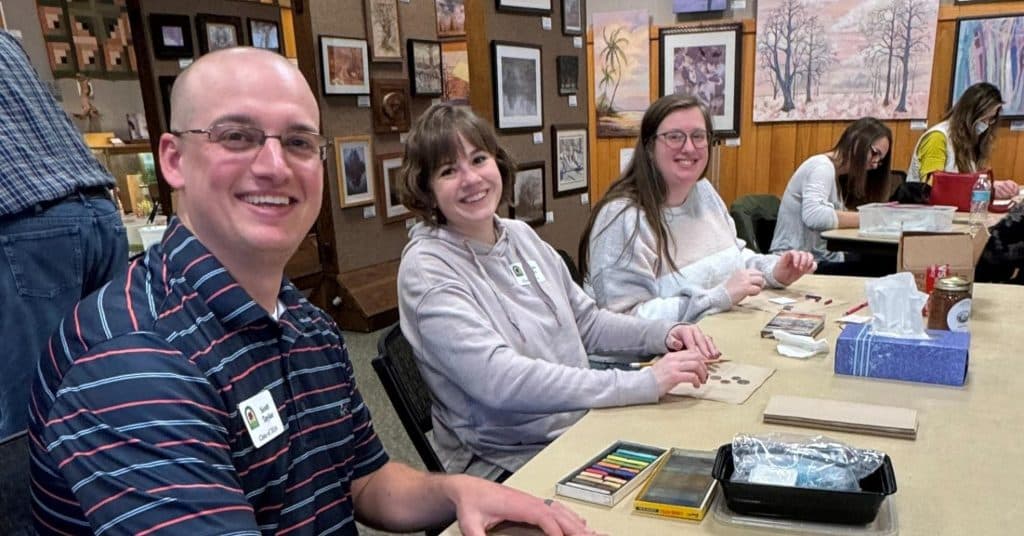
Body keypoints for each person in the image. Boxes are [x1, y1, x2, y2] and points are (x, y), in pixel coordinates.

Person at [28, 48, 596, 536]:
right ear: (173, 160)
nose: (274, 165)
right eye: (237, 136)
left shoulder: (305, 323)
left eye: (298, 141)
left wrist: (457, 493)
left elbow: (365, 478)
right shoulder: (132, 362)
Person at [397, 103, 719, 480]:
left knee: (704, 457)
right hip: (508, 462)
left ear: (497, 164)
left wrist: (663, 334)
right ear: (427, 190)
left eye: (478, 159)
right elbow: (502, 381)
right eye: (449, 171)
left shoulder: (517, 235)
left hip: (577, 426)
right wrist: (640, 383)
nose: (471, 179)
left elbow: (588, 323)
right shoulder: (427, 271)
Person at [579, 94, 816, 324]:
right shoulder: (623, 218)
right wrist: (718, 297)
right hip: (650, 360)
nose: (689, 148)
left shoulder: (703, 191)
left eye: (698, 136)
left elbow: (732, 257)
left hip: (713, 339)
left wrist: (774, 271)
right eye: (674, 137)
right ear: (649, 147)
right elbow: (623, 319)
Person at [0, 31, 127, 442]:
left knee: (28, 410)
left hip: (25, 224)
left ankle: (39, 507)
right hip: (98, 208)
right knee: (120, 381)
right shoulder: (6, 42)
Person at [770, 117, 893, 267]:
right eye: (874, 153)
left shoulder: (836, 175)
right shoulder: (821, 167)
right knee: (881, 266)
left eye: (880, 161)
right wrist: (871, 218)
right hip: (797, 262)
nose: (875, 165)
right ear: (856, 142)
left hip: (817, 258)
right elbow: (814, 216)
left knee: (878, 261)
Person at [907, 82, 1019, 199]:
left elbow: (967, 185)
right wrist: (987, 189)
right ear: (969, 114)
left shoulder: (969, 143)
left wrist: (994, 189)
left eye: (990, 119)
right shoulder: (937, 137)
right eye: (983, 119)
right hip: (925, 213)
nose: (986, 125)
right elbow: (932, 187)